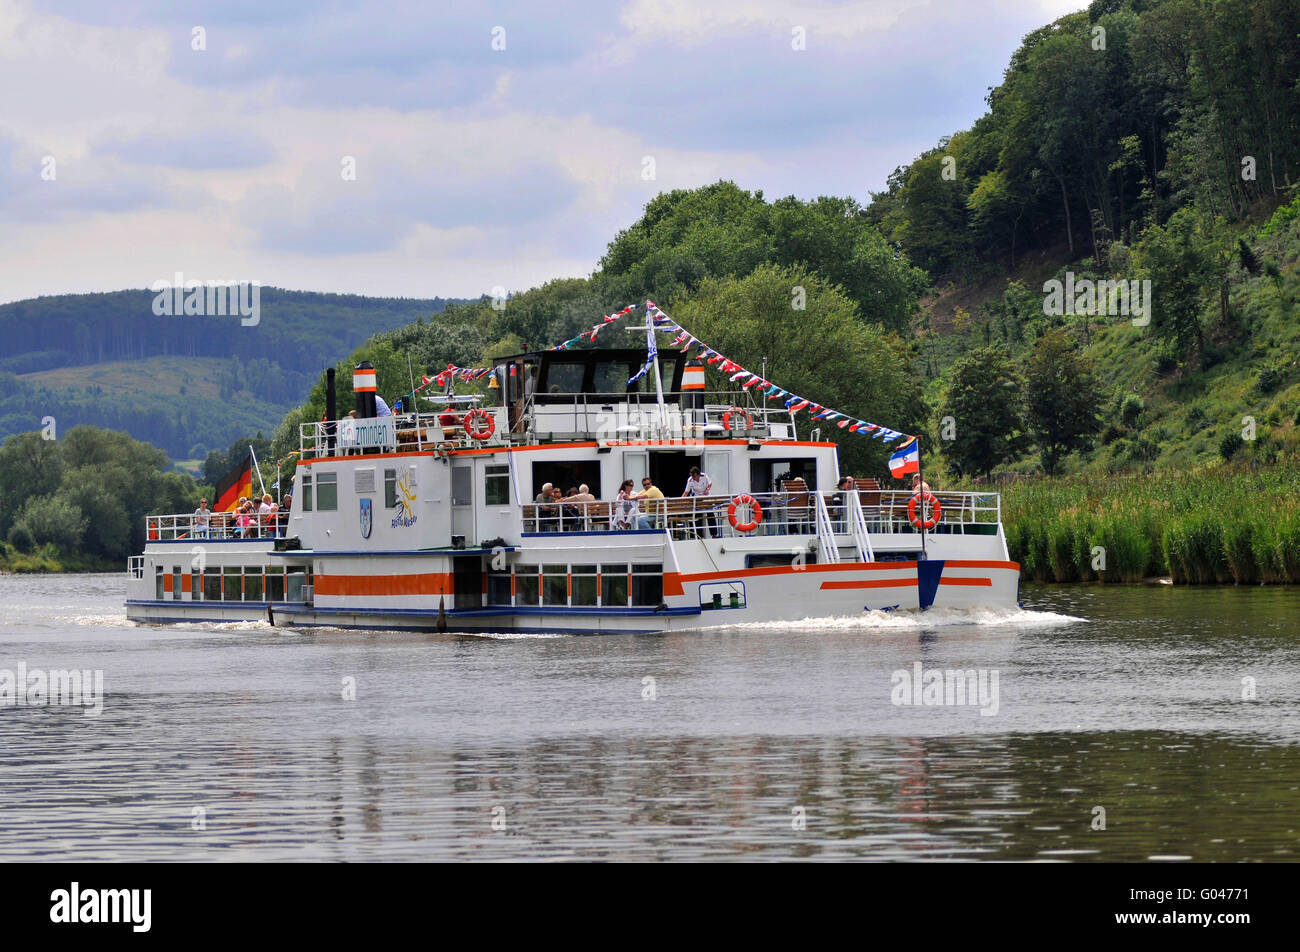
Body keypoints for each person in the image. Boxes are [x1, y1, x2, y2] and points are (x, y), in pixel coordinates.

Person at [682, 465, 714, 537]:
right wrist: (681, 500)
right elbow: (686, 492)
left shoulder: (704, 476)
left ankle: (714, 534)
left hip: (706, 498)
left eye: (695, 476)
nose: (694, 478)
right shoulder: (690, 480)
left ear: (698, 475)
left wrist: (707, 489)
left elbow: (710, 483)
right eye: (693, 476)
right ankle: (699, 535)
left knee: (710, 515)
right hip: (697, 499)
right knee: (698, 516)